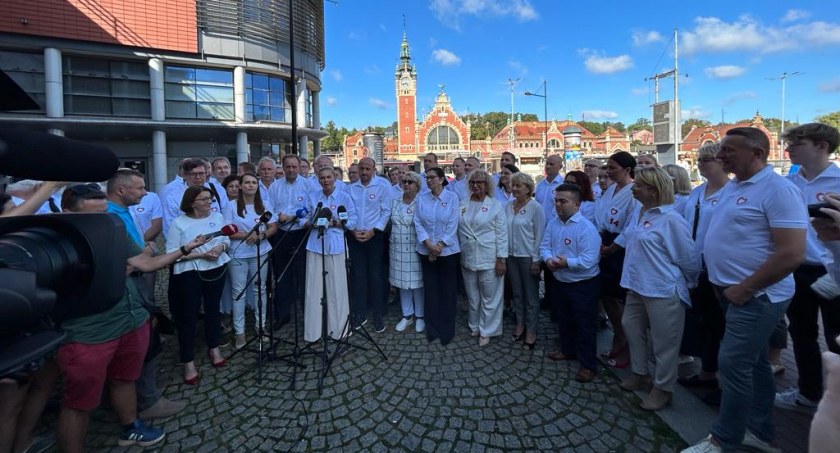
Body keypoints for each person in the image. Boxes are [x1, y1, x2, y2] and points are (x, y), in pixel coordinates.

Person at [55, 184, 207, 452]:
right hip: (88, 332)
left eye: (105, 213)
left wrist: (185, 249)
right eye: (94, 215)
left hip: (129, 318)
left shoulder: (114, 231)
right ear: (67, 213)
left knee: (125, 378)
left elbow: (146, 263)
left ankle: (130, 427)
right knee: (78, 401)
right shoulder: (58, 245)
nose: (103, 221)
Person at [683, 127, 807, 453]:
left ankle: (725, 440)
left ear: (757, 153)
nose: (721, 156)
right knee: (752, 364)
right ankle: (758, 430)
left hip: (756, 295)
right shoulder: (735, 185)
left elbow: (792, 252)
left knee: (733, 364)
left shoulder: (778, 190)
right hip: (730, 291)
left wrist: (744, 288)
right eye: (721, 150)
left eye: (729, 150)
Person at [613, 167, 701, 411]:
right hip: (636, 285)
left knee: (665, 344)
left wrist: (690, 284)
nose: (634, 188)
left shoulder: (671, 219)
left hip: (662, 289)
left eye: (639, 185)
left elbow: (689, 258)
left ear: (653, 190)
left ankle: (663, 388)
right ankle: (641, 373)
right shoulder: (640, 213)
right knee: (632, 329)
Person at [106, 169, 186, 420]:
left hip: (137, 280)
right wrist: (150, 249)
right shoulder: (110, 217)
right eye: (139, 188)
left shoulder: (121, 211)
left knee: (146, 339)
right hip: (129, 288)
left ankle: (146, 395)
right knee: (143, 340)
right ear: (121, 190)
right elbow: (135, 258)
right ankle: (147, 401)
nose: (145, 192)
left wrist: (146, 249)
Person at [774, 122, 840, 414]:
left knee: (836, 338)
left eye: (796, 144)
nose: (788, 149)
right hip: (799, 269)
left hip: (834, 272)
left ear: (821, 146)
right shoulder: (790, 184)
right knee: (802, 334)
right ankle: (809, 394)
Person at [677, 142, 730, 393]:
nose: (699, 163)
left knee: (721, 325)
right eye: (698, 159)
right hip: (695, 265)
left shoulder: (730, 193)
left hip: (718, 268)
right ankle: (707, 372)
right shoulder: (698, 192)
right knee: (706, 323)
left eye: (705, 159)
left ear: (721, 162)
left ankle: (721, 379)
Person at [165, 186, 231, 385]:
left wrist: (220, 248)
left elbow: (226, 238)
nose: (209, 203)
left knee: (213, 310)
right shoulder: (179, 223)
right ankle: (188, 360)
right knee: (188, 315)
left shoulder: (217, 217)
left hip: (215, 269)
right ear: (192, 202)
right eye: (203, 199)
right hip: (189, 273)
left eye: (210, 199)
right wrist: (200, 254)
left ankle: (214, 346)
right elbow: (172, 254)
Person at [540, 183, 602, 383]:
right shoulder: (554, 223)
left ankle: (588, 365)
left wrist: (566, 263)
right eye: (556, 201)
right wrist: (548, 259)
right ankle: (567, 350)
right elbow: (545, 245)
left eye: (562, 201)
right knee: (564, 319)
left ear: (577, 204)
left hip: (582, 283)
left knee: (584, 325)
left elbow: (589, 260)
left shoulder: (586, 228)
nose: (558, 205)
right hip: (560, 280)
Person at [303, 166, 356, 342]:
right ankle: (313, 333)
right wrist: (309, 223)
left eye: (329, 177)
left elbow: (352, 221)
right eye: (322, 178)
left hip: (336, 246)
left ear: (335, 178)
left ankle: (340, 330)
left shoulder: (344, 197)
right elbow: (304, 217)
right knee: (313, 291)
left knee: (337, 290)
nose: (326, 181)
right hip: (315, 245)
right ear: (318, 179)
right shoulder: (313, 197)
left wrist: (333, 223)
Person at [223, 173, 277, 349]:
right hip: (238, 254)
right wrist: (247, 235)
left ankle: (260, 326)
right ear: (241, 186)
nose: (250, 185)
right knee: (238, 292)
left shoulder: (264, 205)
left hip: (260, 252)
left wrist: (261, 235)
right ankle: (239, 332)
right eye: (247, 182)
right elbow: (227, 230)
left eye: (254, 182)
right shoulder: (231, 206)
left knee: (260, 289)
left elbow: (273, 226)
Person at [598, 152, 639, 368]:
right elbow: (600, 217)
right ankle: (618, 332)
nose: (608, 171)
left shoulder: (634, 191)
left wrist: (613, 247)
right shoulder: (611, 190)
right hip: (605, 240)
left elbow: (632, 225)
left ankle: (627, 342)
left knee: (621, 296)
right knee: (606, 294)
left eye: (613, 167)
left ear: (627, 170)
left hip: (620, 247)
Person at [459, 170, 508, 347]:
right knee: (473, 295)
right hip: (468, 256)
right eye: (472, 182)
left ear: (487, 185)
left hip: (489, 256)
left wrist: (501, 259)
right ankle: (474, 324)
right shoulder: (463, 204)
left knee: (490, 296)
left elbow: (502, 234)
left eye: (480, 182)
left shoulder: (495, 205)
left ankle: (488, 329)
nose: (476, 185)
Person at [414, 167, 461, 345]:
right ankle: (432, 329)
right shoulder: (422, 198)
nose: (429, 180)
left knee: (448, 292)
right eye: (427, 178)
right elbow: (417, 222)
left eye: (433, 177)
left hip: (447, 252)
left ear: (442, 179)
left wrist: (439, 246)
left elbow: (452, 223)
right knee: (431, 290)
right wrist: (428, 245)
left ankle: (446, 330)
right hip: (426, 251)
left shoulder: (452, 198)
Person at [346, 157, 391, 331]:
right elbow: (349, 212)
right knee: (358, 276)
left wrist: (374, 231)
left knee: (375, 275)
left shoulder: (382, 186)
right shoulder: (351, 188)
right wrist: (352, 230)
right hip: (355, 236)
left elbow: (386, 211)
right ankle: (360, 312)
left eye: (367, 169)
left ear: (373, 170)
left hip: (375, 236)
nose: (364, 173)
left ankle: (378, 314)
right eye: (361, 169)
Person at [268, 154, 311, 330]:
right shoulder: (275, 186)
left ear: (300, 167)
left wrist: (293, 216)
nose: (291, 170)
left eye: (295, 167)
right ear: (283, 168)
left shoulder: (308, 185)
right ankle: (282, 315)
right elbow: (269, 208)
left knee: (303, 277)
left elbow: (311, 208)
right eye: (288, 167)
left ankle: (308, 317)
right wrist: (278, 216)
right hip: (281, 233)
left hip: (301, 234)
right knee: (281, 277)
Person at [506, 172, 545, 349]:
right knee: (517, 294)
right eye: (513, 186)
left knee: (531, 296)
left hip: (528, 256)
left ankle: (532, 330)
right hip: (511, 256)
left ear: (528, 189)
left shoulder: (536, 207)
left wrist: (537, 260)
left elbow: (540, 235)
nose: (514, 189)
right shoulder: (508, 206)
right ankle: (520, 324)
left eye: (518, 186)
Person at [389, 171, 425, 332]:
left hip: (414, 247)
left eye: (410, 182)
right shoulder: (395, 201)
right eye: (404, 181)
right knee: (402, 284)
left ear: (417, 185)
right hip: (397, 247)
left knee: (417, 283)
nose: (406, 184)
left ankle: (420, 316)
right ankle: (407, 315)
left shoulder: (422, 202)